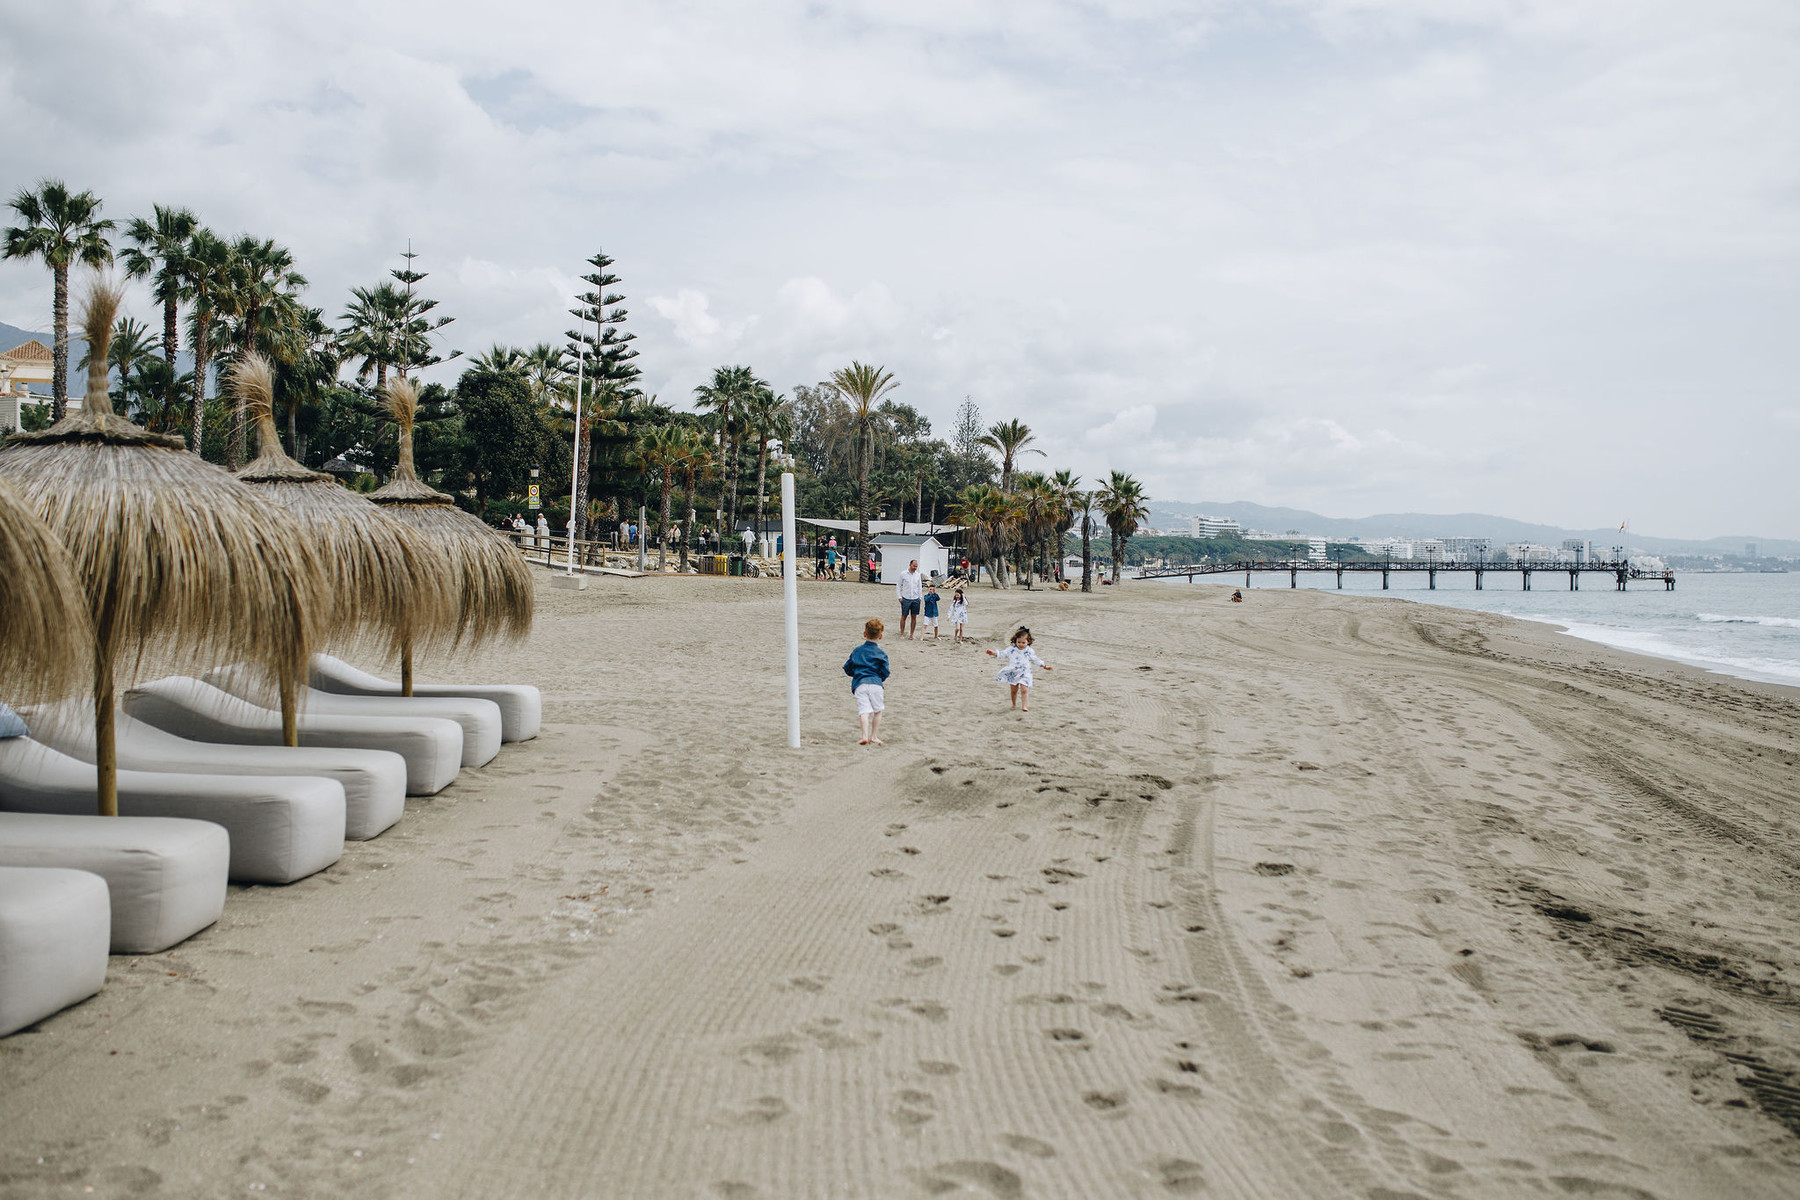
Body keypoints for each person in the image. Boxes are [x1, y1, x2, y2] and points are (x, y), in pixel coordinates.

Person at [843, 617, 890, 745]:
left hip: (860, 683)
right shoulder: (881, 654)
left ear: (865, 634)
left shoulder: (857, 651)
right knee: (878, 710)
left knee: (864, 710)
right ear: (880, 636)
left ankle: (864, 735)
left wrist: (856, 673)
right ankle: (874, 736)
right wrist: (880, 678)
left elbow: (847, 667)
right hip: (876, 683)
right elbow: (885, 671)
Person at [986, 625, 1051, 711]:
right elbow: (1003, 654)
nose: (1020, 644)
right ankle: (1014, 704)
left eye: (1023, 642)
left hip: (1025, 672)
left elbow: (1035, 659)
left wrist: (1043, 665)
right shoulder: (1011, 649)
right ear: (1015, 641)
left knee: (1024, 689)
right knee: (1014, 690)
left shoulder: (1029, 651)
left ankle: (1024, 706)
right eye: (1019, 642)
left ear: (1028, 642)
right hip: (1013, 672)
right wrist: (993, 653)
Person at [895, 558, 923, 638]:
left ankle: (912, 634)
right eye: (914, 566)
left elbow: (919, 587)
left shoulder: (918, 575)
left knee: (914, 617)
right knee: (904, 616)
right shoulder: (903, 574)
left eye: (916, 566)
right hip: (906, 598)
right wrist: (899, 596)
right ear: (910, 565)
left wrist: (920, 597)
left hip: (915, 598)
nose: (915, 568)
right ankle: (902, 634)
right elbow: (898, 585)